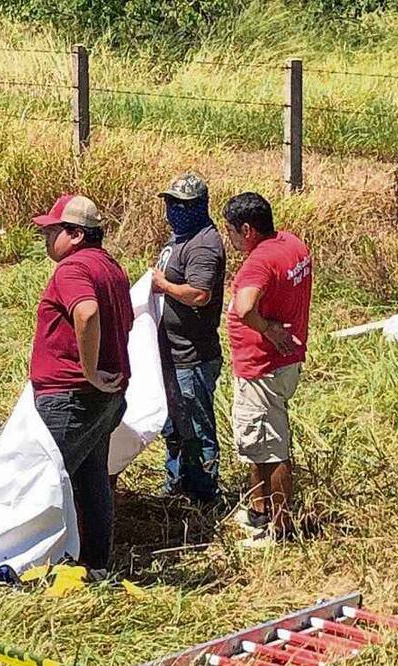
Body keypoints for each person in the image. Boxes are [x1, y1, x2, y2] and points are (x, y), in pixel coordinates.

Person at [29, 194, 132, 572]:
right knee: (92, 479)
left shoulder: (72, 270)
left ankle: (36, 560)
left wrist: (88, 370)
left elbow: (87, 314)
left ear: (75, 234)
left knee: (44, 480)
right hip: (102, 396)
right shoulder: (110, 267)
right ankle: (94, 562)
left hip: (72, 394)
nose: (45, 238)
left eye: (51, 231)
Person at [223, 192, 312, 547]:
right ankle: (259, 511)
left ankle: (279, 527)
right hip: (284, 362)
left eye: (230, 230)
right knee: (258, 443)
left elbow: (245, 308)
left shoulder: (257, 263)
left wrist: (267, 329)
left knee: (270, 446)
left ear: (246, 229)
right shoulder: (292, 244)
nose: (228, 238)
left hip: (263, 366)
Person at [151, 173, 226, 504]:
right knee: (175, 428)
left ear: (199, 207)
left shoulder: (204, 244)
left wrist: (163, 286)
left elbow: (199, 294)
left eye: (181, 204)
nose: (173, 209)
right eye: (170, 203)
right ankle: (178, 487)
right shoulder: (179, 238)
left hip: (192, 356)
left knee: (196, 430)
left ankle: (205, 496)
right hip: (171, 353)